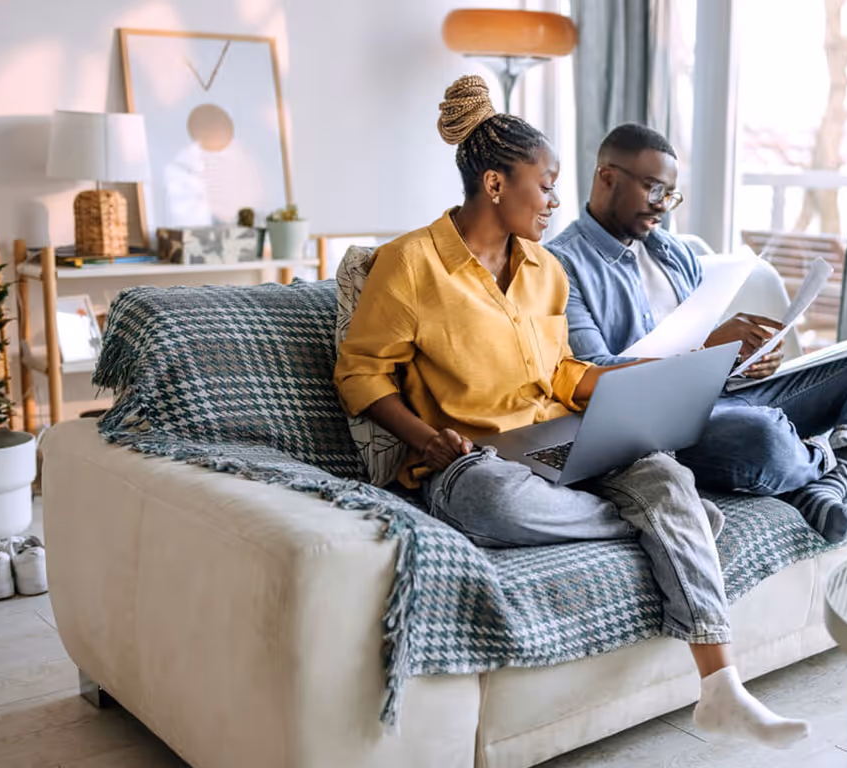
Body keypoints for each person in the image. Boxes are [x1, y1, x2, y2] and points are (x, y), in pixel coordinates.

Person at [334, 76, 809, 749]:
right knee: (495, 503)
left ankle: (720, 686)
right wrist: (424, 438)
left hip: (563, 434)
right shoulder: (410, 264)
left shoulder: (543, 270)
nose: (558, 199)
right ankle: (666, 527)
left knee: (666, 475)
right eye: (547, 183)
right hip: (473, 461)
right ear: (496, 185)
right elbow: (360, 372)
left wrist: (625, 386)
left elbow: (557, 370)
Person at [546, 123, 847, 543]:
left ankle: (831, 475)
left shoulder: (675, 252)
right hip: (659, 427)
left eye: (671, 195)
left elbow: (707, 354)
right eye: (654, 191)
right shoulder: (560, 267)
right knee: (764, 436)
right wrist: (708, 350)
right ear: (607, 176)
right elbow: (594, 378)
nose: (663, 207)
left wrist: (743, 360)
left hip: (727, 397)